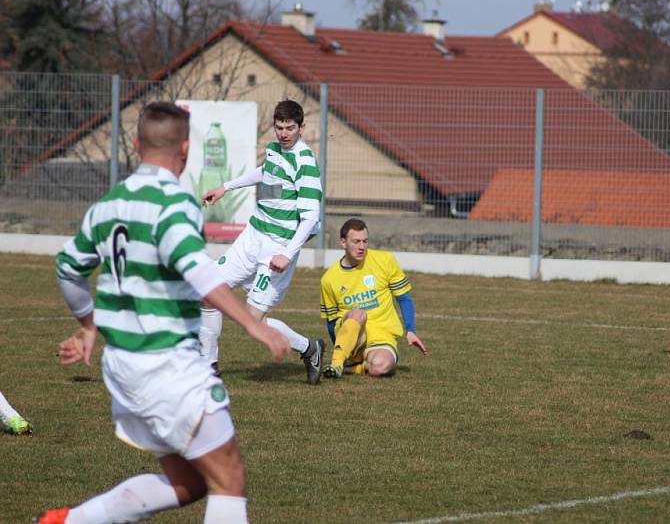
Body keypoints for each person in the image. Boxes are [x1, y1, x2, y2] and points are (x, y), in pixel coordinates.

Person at [38, 101, 291, 524]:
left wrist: (87, 325)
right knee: (229, 478)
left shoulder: (108, 204)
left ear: (137, 144)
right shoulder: (175, 203)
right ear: (187, 149)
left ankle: (70, 521)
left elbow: (68, 268)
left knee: (189, 483)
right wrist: (252, 324)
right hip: (166, 365)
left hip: (122, 368)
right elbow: (201, 273)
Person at [200, 99, 325, 385]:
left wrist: (287, 253)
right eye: (279, 127)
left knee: (253, 319)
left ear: (301, 128)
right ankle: (208, 369)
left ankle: (310, 348)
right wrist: (225, 188)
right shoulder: (275, 151)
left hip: (278, 248)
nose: (283, 133)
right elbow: (265, 172)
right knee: (208, 293)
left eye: (290, 128)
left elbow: (309, 218)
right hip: (252, 237)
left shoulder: (305, 164)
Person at [320, 218, 428, 378]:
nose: (362, 247)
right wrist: (341, 348)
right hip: (353, 338)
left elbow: (404, 298)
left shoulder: (385, 260)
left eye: (365, 241)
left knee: (380, 368)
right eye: (356, 241)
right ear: (343, 243)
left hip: (381, 336)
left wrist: (410, 330)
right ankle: (337, 363)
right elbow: (331, 322)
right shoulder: (329, 279)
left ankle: (356, 367)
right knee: (358, 313)